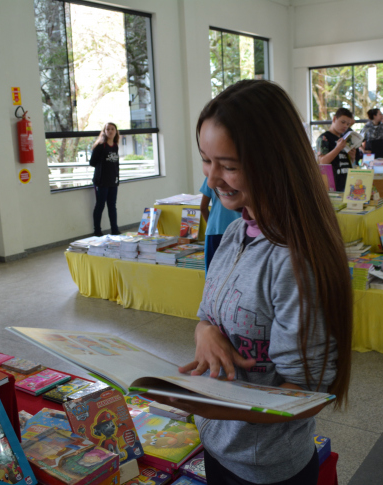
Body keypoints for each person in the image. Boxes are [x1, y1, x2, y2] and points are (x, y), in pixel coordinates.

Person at [151, 80, 353, 485]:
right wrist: (205, 332)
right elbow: (209, 314)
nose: (211, 179)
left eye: (228, 166)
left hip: (267, 468)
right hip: (218, 445)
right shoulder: (236, 232)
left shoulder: (295, 260)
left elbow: (305, 397)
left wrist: (215, 407)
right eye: (206, 160)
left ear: (275, 161)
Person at [199, 176, 240, 274]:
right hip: (240, 230)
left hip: (215, 230)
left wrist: (212, 225)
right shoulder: (241, 175)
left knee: (213, 274)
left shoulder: (211, 176)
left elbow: (203, 207)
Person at [90, 122, 120, 237]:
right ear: (105, 131)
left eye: (113, 129)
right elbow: (92, 162)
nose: (110, 131)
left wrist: (117, 178)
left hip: (113, 181)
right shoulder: (100, 146)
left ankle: (115, 229)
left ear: (116, 131)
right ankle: (97, 231)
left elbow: (116, 164)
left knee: (112, 206)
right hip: (101, 182)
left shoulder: (115, 145)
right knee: (100, 205)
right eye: (108, 129)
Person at [317, 107, 357, 190]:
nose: (345, 126)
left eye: (348, 124)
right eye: (343, 122)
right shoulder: (324, 138)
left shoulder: (345, 138)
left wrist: (352, 157)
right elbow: (322, 162)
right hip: (333, 185)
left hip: (348, 183)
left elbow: (346, 163)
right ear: (334, 119)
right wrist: (338, 148)